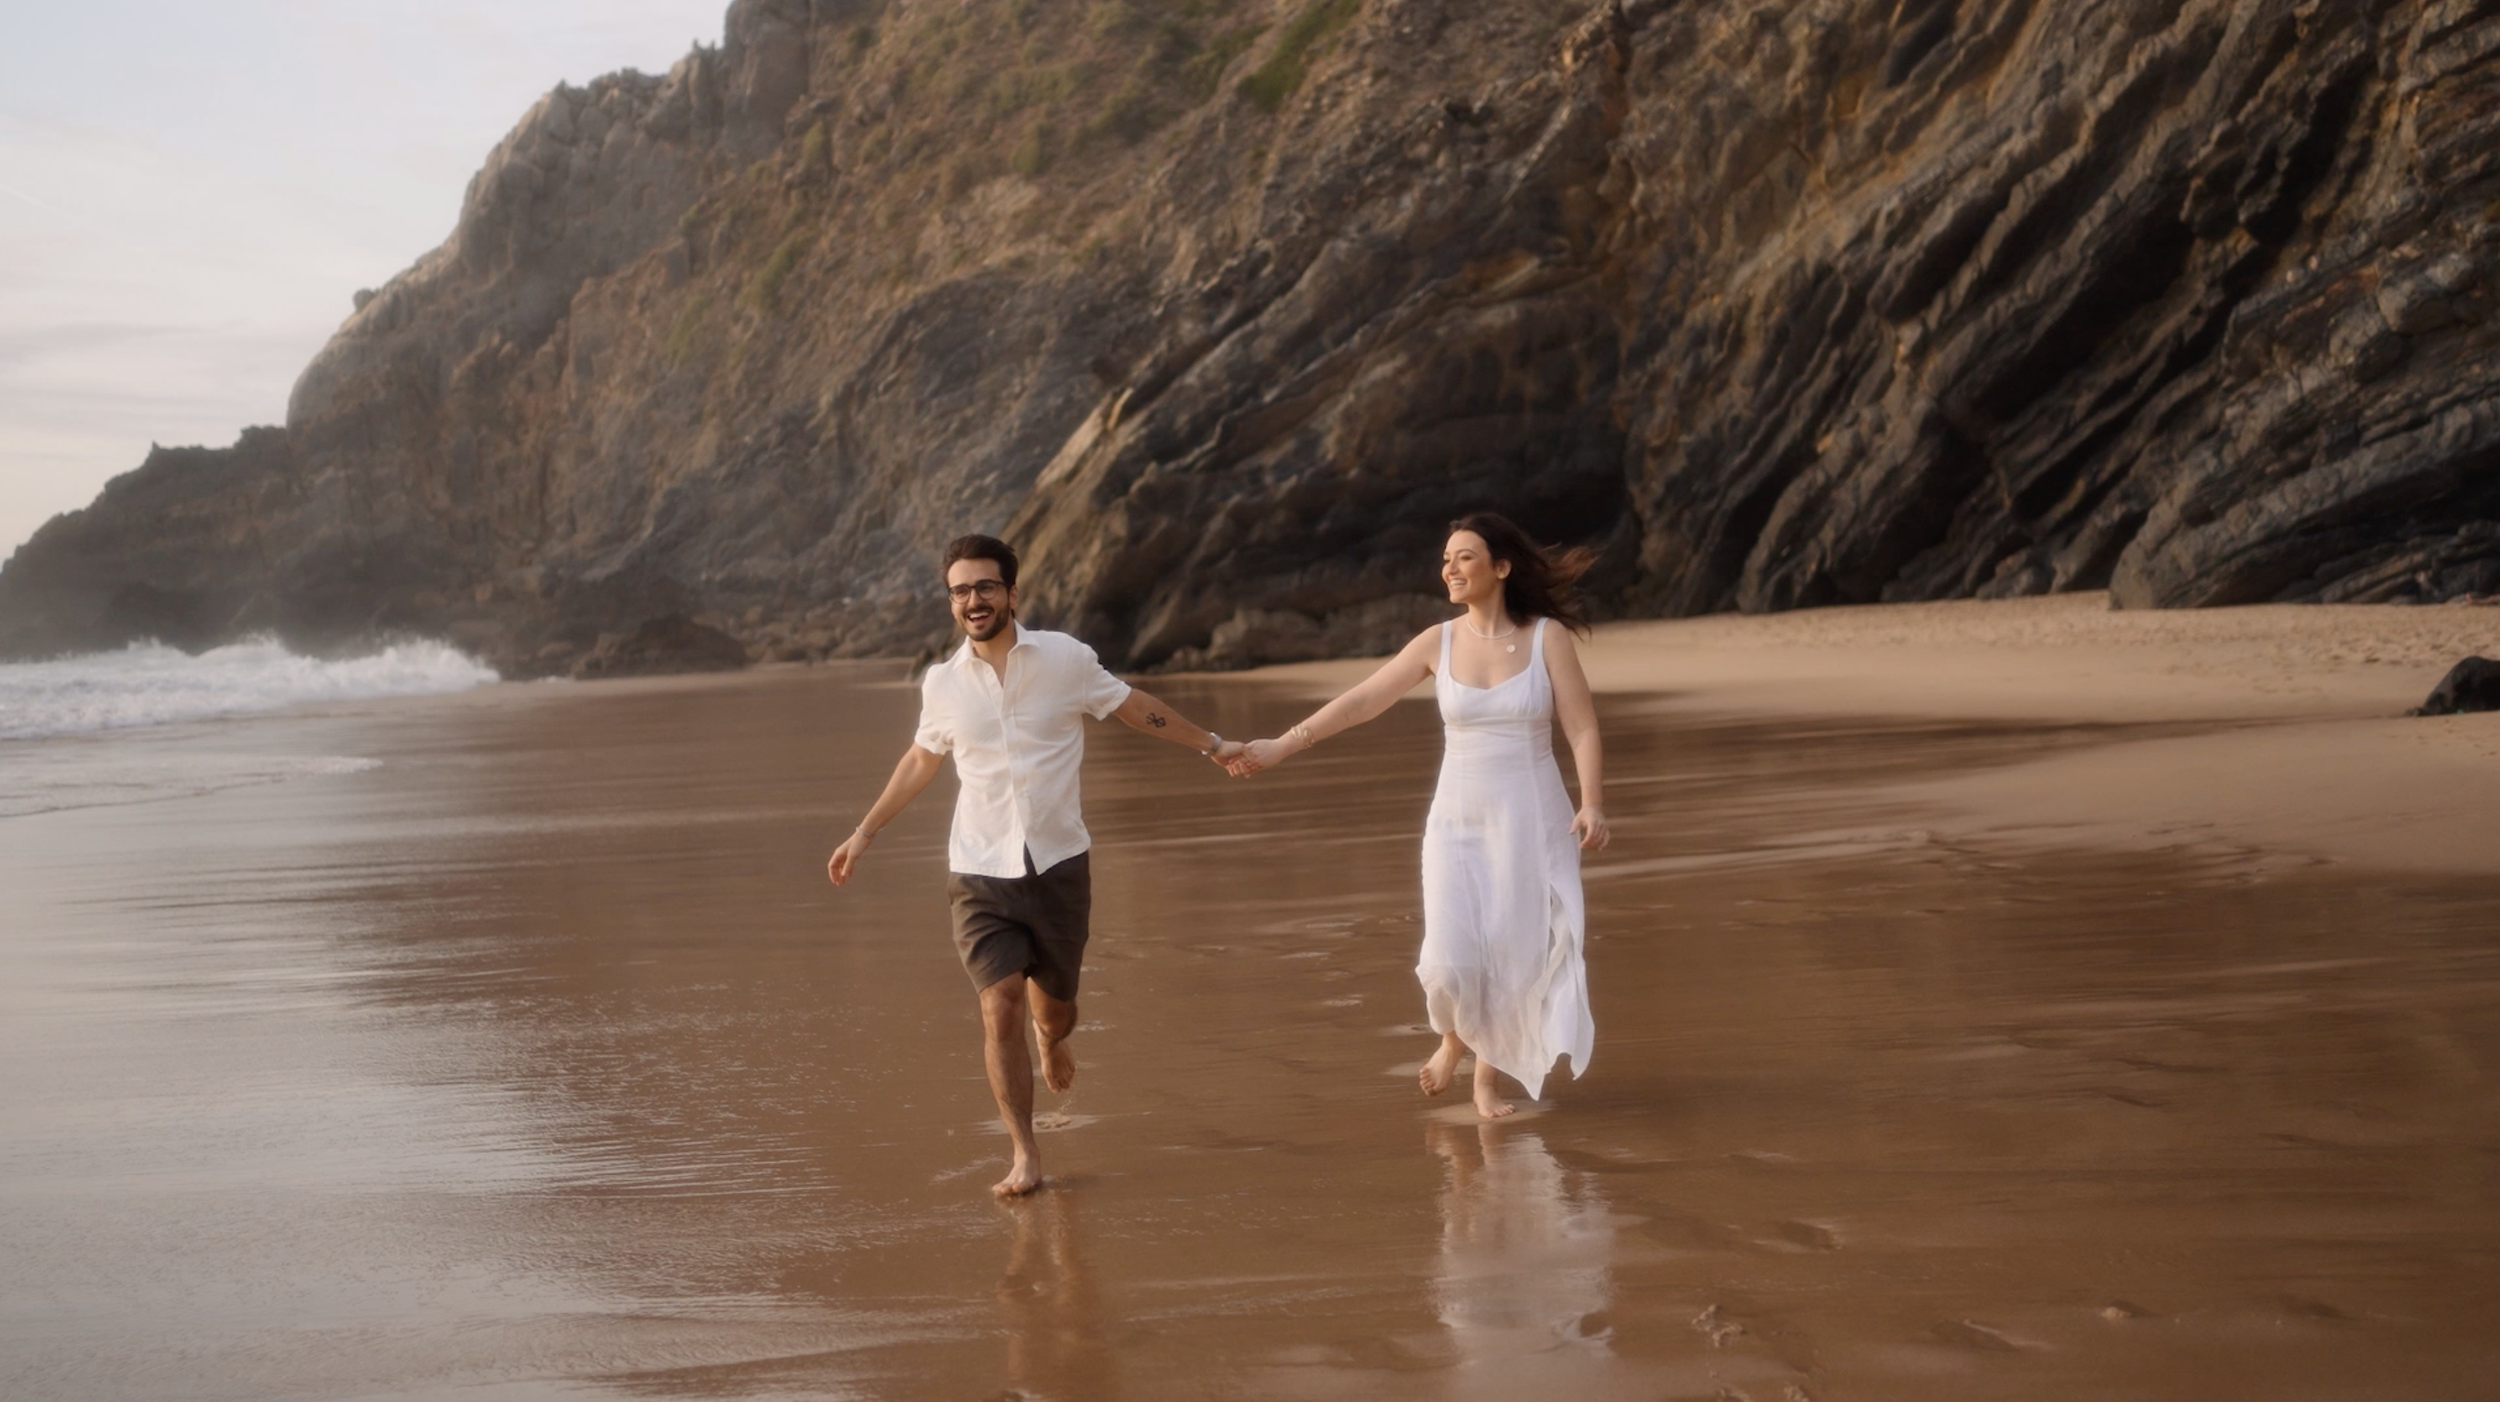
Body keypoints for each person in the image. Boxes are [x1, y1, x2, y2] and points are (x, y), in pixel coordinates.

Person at [828, 533, 1243, 1196]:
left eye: (985, 587)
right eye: (960, 590)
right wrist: (863, 833)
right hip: (979, 871)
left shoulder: (1064, 660)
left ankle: (1053, 1041)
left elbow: (1134, 707)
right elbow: (920, 761)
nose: (973, 600)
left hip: (1057, 865)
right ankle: (1025, 1154)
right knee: (1000, 1007)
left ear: (1012, 593)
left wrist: (1214, 744)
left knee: (1054, 1012)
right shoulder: (942, 684)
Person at [1230, 513, 1607, 1119]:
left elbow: (1582, 725)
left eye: (1464, 557)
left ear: (1501, 567)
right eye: (1446, 559)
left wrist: (1591, 800)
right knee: (1452, 950)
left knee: (1513, 947)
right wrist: (1281, 744)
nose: (1450, 568)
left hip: (1528, 817)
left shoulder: (1546, 639)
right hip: (1455, 819)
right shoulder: (1440, 640)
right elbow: (1362, 701)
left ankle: (1485, 1078)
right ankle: (1453, 1037)